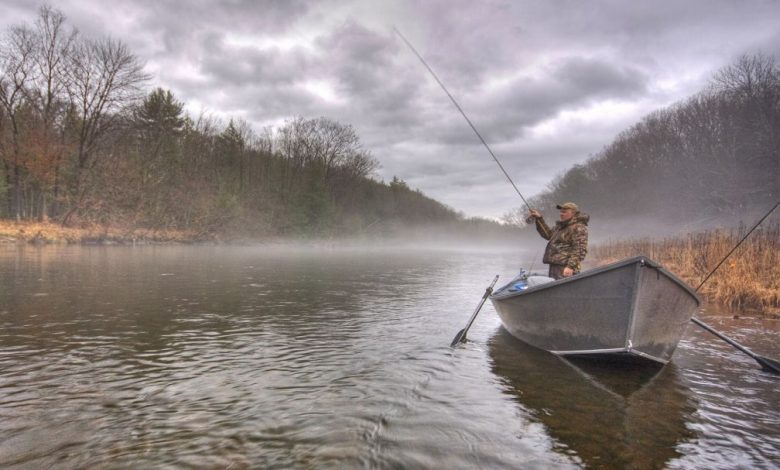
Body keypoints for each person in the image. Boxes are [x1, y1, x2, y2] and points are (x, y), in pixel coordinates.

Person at [528, 202, 589, 280]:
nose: (561, 214)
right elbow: (548, 235)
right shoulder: (560, 227)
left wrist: (570, 267)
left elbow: (580, 249)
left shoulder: (578, 227)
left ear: (574, 213)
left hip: (565, 268)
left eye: (564, 212)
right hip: (555, 266)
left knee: (565, 290)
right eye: (561, 212)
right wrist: (539, 219)